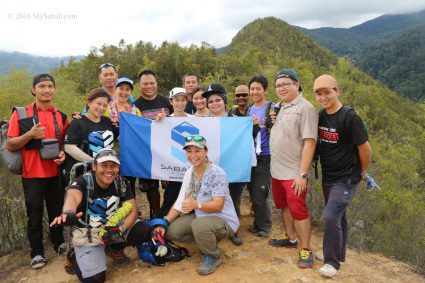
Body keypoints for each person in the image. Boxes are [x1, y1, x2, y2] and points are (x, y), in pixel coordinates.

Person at [50, 149, 164, 282]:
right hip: (89, 231)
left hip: (112, 226)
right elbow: (72, 197)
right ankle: (74, 255)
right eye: (104, 165)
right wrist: (68, 212)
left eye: (113, 166)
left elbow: (132, 209)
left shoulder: (121, 182)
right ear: (94, 166)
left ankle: (114, 248)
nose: (109, 170)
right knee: (96, 279)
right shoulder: (83, 182)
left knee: (142, 229)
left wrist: (120, 230)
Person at [6, 73, 68, 268]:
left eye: (50, 86)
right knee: (34, 213)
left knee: (56, 211)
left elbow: (65, 144)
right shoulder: (21, 113)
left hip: (54, 173)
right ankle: (37, 253)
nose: (46, 89)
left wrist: (63, 155)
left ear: (55, 90)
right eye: (42, 86)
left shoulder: (60, 116)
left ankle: (58, 243)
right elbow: (10, 144)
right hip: (32, 174)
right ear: (34, 90)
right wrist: (30, 134)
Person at [313, 74, 372, 278]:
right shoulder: (321, 115)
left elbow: (365, 149)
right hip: (329, 175)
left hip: (347, 177)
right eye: (318, 93)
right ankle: (339, 252)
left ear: (337, 91)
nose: (323, 97)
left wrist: (362, 172)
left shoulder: (349, 117)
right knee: (339, 216)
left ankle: (332, 261)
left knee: (330, 216)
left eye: (327, 92)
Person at [165, 135, 240, 276]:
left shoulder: (216, 173)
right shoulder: (189, 172)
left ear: (205, 151)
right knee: (172, 231)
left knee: (199, 225)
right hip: (202, 217)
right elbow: (180, 201)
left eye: (197, 150)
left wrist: (196, 204)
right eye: (189, 151)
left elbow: (218, 206)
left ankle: (212, 255)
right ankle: (206, 241)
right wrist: (164, 221)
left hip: (224, 219)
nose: (193, 155)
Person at [268, 69, 318, 269]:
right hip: (276, 169)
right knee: (284, 206)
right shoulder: (278, 106)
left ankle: (305, 248)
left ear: (297, 85)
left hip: (294, 173)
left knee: (299, 210)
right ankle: (290, 238)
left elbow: (309, 143)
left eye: (286, 84)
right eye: (278, 85)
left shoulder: (306, 108)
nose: (281, 88)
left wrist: (302, 174)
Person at [202, 84, 243, 245]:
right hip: (211, 169)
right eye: (210, 101)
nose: (214, 103)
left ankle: (234, 230)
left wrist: (253, 124)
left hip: (233, 167)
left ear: (225, 101)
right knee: (213, 198)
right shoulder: (203, 122)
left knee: (233, 199)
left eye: (217, 99)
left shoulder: (238, 121)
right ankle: (214, 229)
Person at [134, 70, 173, 218]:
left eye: (152, 83)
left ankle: (169, 214)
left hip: (168, 151)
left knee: (170, 184)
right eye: (145, 83)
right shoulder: (135, 105)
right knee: (151, 187)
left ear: (157, 84)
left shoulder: (166, 101)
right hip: (147, 152)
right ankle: (155, 215)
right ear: (139, 85)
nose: (148, 86)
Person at [64, 88, 119, 184]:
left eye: (104, 105)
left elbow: (122, 139)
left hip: (106, 175)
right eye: (98, 103)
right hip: (83, 175)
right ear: (89, 102)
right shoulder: (78, 122)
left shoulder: (108, 122)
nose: (101, 108)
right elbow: (69, 147)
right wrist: (93, 162)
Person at [155, 87, 194, 218]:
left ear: (187, 101)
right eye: (176, 100)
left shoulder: (195, 119)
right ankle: (161, 226)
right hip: (174, 170)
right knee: (170, 199)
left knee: (191, 198)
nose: (180, 103)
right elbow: (159, 144)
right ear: (171, 101)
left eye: (183, 100)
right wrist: (158, 122)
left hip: (191, 168)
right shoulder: (164, 120)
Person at [246, 75, 273, 238]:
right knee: (252, 191)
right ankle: (257, 223)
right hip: (251, 156)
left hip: (266, 155)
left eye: (258, 88)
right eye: (252, 89)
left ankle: (265, 226)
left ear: (265, 90)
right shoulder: (249, 109)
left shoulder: (271, 108)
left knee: (261, 191)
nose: (255, 92)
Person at [106, 77, 141, 197]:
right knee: (111, 182)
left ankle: (131, 210)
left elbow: (140, 131)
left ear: (131, 92)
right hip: (111, 154)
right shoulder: (107, 109)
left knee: (129, 184)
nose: (124, 92)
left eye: (127, 89)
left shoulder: (135, 110)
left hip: (130, 155)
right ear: (115, 90)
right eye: (121, 88)